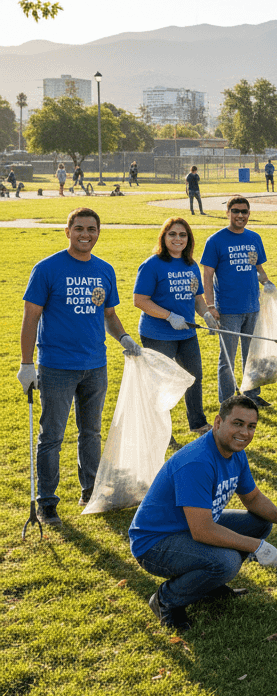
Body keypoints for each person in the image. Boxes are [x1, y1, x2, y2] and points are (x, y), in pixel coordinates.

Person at [129, 395, 277, 631]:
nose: (245, 432)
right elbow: (202, 530)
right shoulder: (197, 462)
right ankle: (166, 600)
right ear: (217, 423)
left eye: (251, 426)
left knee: (260, 523)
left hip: (191, 527)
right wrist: (256, 546)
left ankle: (207, 586)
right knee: (226, 562)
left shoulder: (235, 452)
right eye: (238, 423)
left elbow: (252, 498)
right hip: (155, 543)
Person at [18, 207, 142, 524]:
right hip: (57, 366)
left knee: (90, 433)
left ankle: (91, 492)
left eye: (92, 229)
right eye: (79, 228)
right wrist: (27, 363)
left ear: (98, 233)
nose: (85, 234)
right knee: (52, 437)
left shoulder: (105, 270)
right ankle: (47, 503)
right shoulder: (47, 269)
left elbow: (109, 316)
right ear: (68, 231)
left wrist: (124, 338)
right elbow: (31, 316)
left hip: (95, 366)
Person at [134, 218, 218, 436]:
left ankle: (198, 423)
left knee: (194, 377)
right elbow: (140, 300)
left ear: (188, 239)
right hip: (158, 334)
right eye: (172, 234)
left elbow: (197, 297)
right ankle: (161, 431)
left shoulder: (191, 265)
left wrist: (206, 313)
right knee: (160, 384)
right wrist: (169, 316)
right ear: (164, 236)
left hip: (186, 333)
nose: (177, 239)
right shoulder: (152, 265)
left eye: (182, 235)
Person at [201, 196, 272, 406]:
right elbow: (207, 275)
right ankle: (228, 400)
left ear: (249, 214)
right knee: (227, 359)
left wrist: (268, 284)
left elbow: (258, 269)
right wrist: (210, 306)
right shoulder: (215, 240)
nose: (240, 215)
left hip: (252, 305)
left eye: (244, 211)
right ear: (228, 212)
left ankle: (251, 395)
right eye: (235, 211)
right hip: (228, 309)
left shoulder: (254, 238)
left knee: (252, 354)